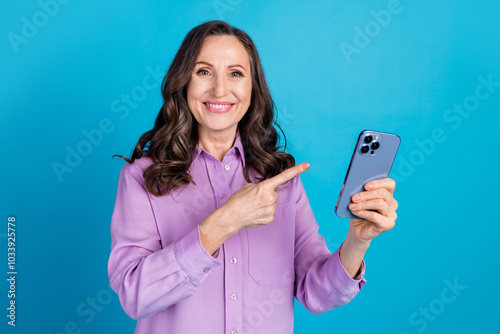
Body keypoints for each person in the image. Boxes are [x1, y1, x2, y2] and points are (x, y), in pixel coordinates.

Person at [107, 20, 398, 334]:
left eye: (236, 73)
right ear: (184, 83)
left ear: (252, 88)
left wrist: (357, 241)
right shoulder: (142, 178)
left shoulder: (282, 181)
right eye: (203, 71)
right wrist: (221, 224)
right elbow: (134, 294)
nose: (220, 89)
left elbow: (316, 295)